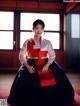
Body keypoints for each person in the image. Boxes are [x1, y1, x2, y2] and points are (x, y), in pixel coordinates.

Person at [7, 19, 74, 106]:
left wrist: (47, 65)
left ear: (43, 30)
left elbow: (52, 55)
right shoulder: (27, 42)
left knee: (56, 79)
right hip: (31, 63)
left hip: (46, 63)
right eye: (37, 28)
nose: (39, 30)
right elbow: (21, 55)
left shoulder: (47, 42)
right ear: (33, 29)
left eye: (41, 28)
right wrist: (27, 66)